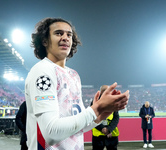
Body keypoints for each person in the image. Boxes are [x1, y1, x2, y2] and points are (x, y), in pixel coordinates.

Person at [25, 17, 129, 150]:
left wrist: (102, 113)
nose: (65, 37)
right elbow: (51, 134)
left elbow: (77, 125)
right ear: (44, 41)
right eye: (58, 33)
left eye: (69, 35)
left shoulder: (73, 75)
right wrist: (96, 108)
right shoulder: (43, 71)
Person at [92, 85, 119, 150]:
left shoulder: (114, 102)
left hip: (111, 134)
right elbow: (92, 118)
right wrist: (102, 129)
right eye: (109, 91)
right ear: (102, 92)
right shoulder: (94, 102)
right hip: (98, 135)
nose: (110, 92)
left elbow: (116, 117)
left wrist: (109, 129)